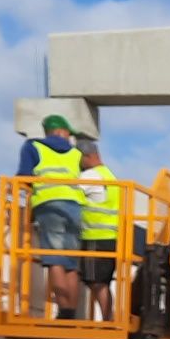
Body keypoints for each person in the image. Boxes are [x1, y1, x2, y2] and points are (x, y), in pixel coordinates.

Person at [17, 115, 84, 319]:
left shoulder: (33, 146)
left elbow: (24, 176)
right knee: (71, 264)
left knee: (55, 259)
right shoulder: (75, 154)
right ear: (61, 131)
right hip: (74, 206)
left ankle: (64, 310)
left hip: (49, 204)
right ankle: (72, 310)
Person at [76, 136, 120, 320]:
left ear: (86, 157)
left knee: (96, 282)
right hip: (110, 236)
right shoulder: (108, 175)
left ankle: (108, 319)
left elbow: (71, 196)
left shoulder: (89, 176)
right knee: (102, 281)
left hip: (95, 236)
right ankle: (109, 317)